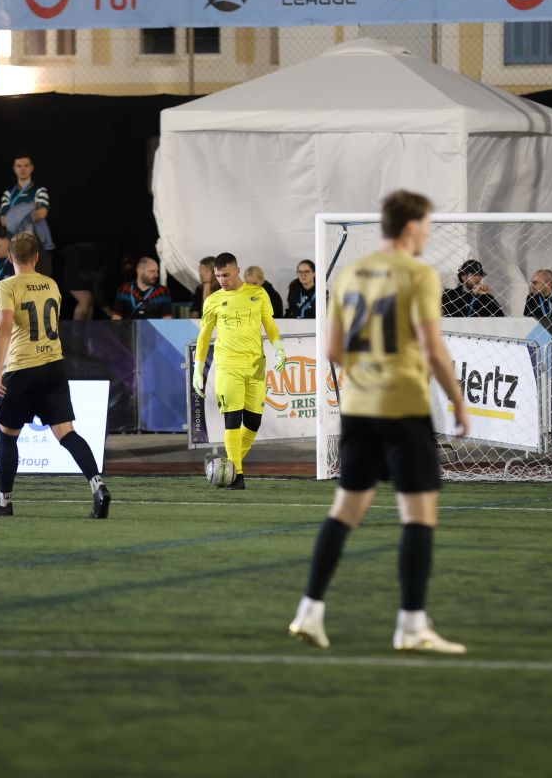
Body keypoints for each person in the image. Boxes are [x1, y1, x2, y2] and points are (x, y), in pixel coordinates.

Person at [288, 189, 471, 655]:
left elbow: (332, 350)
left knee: (345, 510)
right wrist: (458, 402)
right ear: (410, 227)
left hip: (357, 408)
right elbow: (433, 348)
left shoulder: (350, 274)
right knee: (418, 515)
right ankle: (411, 624)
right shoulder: (419, 274)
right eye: (427, 225)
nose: (429, 233)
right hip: (403, 406)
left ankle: (309, 611)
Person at [0, 231, 111, 519]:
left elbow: (6, 326)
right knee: (67, 433)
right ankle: (98, 486)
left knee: (7, 435)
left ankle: (3, 502)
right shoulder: (51, 284)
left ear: (11, 258)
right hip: (54, 367)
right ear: (36, 257)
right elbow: (36, 321)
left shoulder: (6, 285)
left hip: (23, 369)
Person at [192, 252, 286, 491]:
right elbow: (204, 337)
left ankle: (225, 465)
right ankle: (237, 476)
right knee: (232, 420)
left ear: (237, 270)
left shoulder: (258, 293)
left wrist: (280, 349)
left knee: (253, 422)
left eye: (225, 275)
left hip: (255, 366)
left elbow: (270, 325)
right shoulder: (213, 300)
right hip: (228, 366)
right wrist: (198, 369)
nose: (221, 280)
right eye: (217, 276)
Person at [0, 153, 53, 276]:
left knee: (40, 280)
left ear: (32, 168)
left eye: (26, 165)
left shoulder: (40, 191)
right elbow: (4, 221)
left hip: (36, 245)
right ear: (14, 168)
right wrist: (29, 209)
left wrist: (15, 215)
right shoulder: (8, 194)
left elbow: (41, 213)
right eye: (19, 166)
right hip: (14, 246)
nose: (22, 169)